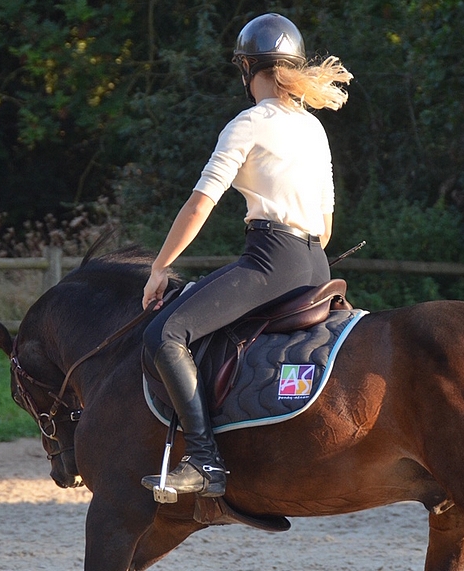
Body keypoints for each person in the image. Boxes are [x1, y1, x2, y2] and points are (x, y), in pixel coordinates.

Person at [140, 12, 353, 499]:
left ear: (246, 67)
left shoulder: (250, 123)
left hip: (272, 261)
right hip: (315, 264)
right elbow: (327, 225)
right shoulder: (313, 128)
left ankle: (205, 461)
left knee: (166, 332)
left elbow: (201, 203)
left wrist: (159, 267)